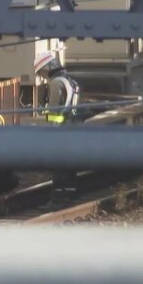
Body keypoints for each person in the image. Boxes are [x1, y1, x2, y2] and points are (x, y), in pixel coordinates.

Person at [34, 50, 81, 204]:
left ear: (47, 67)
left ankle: (57, 198)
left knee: (58, 167)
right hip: (73, 128)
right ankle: (70, 195)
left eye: (41, 72)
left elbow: (54, 113)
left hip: (61, 133)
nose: (42, 76)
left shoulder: (56, 83)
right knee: (70, 167)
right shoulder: (70, 81)